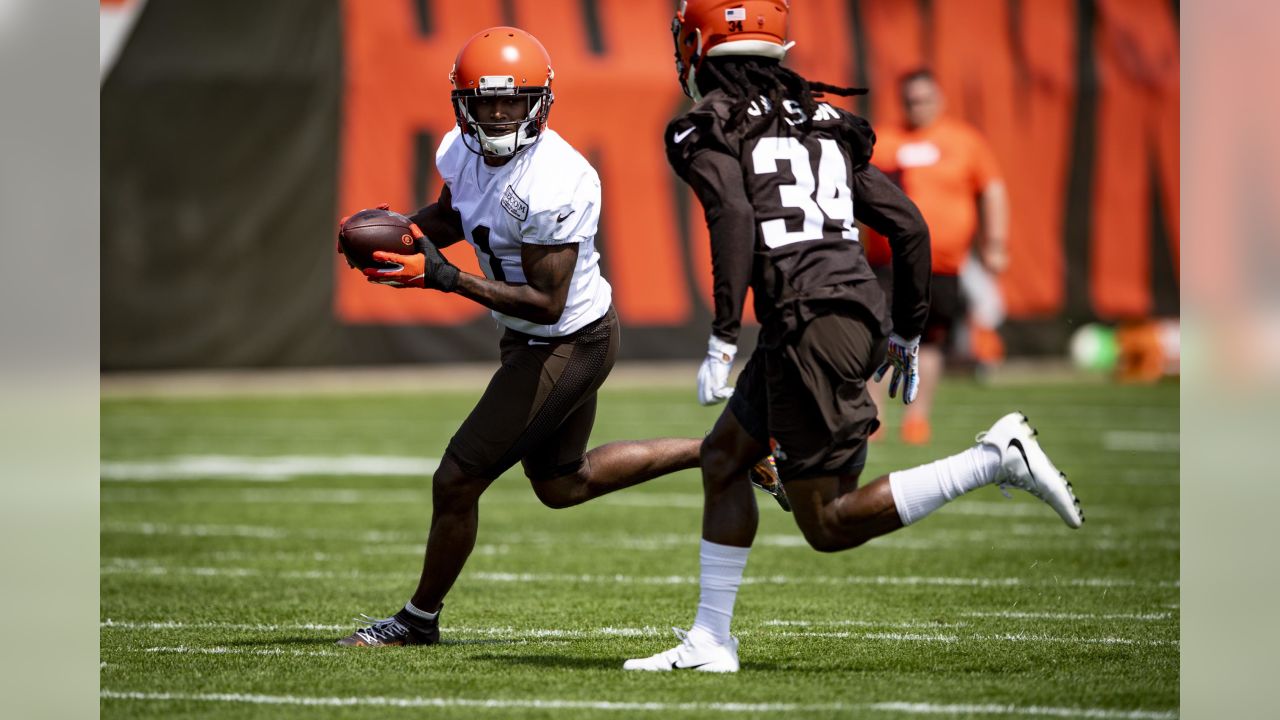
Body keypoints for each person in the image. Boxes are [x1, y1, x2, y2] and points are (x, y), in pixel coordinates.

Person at [622, 0, 1081, 673]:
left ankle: (994, 458)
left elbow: (734, 217)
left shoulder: (704, 124)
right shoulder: (823, 120)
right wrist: (906, 331)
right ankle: (710, 641)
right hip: (844, 310)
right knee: (725, 457)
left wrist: (723, 334)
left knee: (828, 524)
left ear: (695, 45)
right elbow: (912, 227)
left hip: (810, 324)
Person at [332, 26, 773, 648]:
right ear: (464, 103)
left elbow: (546, 302)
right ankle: (731, 446)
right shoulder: (459, 151)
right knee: (563, 484)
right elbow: (457, 214)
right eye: (487, 102)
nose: (500, 113)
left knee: (457, 477)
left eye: (513, 100)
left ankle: (417, 619)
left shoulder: (558, 177)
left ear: (540, 101)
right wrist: (400, 231)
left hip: (568, 340)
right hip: (534, 338)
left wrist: (443, 276)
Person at [868, 68, 1011, 444]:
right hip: (887, 261)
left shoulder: (964, 141)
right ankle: (875, 417)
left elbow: (992, 189)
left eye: (925, 99)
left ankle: (917, 418)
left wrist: (995, 241)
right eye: (911, 100)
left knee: (929, 339)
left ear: (940, 99)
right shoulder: (884, 140)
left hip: (942, 263)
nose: (918, 107)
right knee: (876, 335)